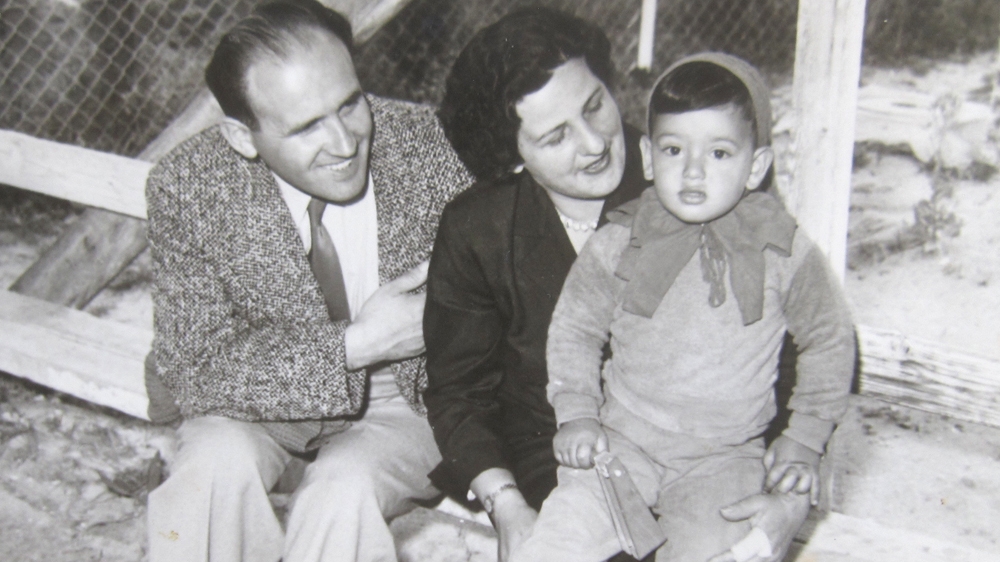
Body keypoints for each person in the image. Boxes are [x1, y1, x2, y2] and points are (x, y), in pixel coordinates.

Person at [143, 1, 473, 561]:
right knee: (208, 476)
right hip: (259, 400)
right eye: (306, 127)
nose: (345, 144)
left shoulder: (431, 145)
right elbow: (194, 368)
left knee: (342, 496)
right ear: (242, 137)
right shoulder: (189, 186)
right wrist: (355, 345)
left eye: (349, 104)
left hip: (405, 397)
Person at [510, 53, 856, 562]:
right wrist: (577, 414)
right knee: (559, 540)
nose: (693, 171)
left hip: (723, 457)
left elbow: (829, 339)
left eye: (719, 153)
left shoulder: (787, 251)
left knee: (725, 551)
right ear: (649, 157)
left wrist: (805, 437)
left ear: (755, 166)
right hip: (620, 440)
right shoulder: (619, 239)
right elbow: (575, 330)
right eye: (674, 149)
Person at [421, 8, 650, 562]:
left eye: (594, 105)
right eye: (556, 136)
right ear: (513, 156)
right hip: (554, 458)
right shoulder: (478, 227)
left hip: (691, 445)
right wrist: (507, 505)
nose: (595, 143)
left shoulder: (687, 175)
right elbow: (459, 393)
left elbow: (778, 341)